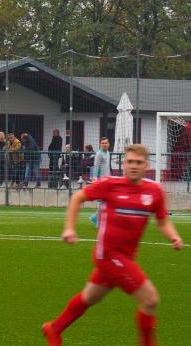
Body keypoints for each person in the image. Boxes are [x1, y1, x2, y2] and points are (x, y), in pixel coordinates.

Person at [42, 144, 183, 346]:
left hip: (126, 257)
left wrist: (173, 237)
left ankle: (54, 329)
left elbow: (162, 221)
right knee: (150, 299)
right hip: (108, 255)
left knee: (90, 297)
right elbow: (78, 197)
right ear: (124, 164)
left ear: (146, 166)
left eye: (139, 162)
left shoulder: (155, 191)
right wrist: (69, 228)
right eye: (130, 162)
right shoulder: (109, 184)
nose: (134, 166)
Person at [90, 137, 112, 227]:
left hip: (108, 179)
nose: (104, 144)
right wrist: (95, 179)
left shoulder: (108, 153)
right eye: (102, 143)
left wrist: (110, 177)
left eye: (106, 143)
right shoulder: (99, 154)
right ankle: (97, 218)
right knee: (104, 200)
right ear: (100, 144)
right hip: (101, 180)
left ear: (108, 144)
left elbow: (107, 167)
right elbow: (96, 167)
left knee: (106, 200)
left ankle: (96, 217)